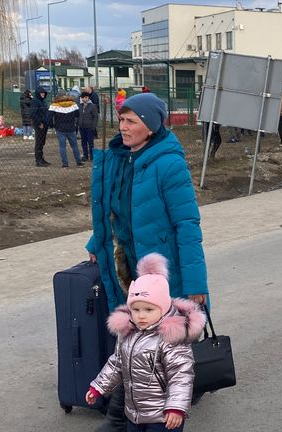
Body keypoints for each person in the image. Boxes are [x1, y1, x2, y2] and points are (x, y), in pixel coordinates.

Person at [85, 92, 209, 431]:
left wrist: (196, 283)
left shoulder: (169, 164)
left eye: (131, 122)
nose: (123, 127)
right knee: (132, 334)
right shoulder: (119, 159)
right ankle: (122, 410)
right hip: (127, 265)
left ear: (150, 128)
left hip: (164, 271)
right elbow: (112, 211)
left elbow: (187, 224)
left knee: (165, 343)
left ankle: (166, 411)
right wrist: (96, 242)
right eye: (121, 119)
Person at [86, 253, 206, 432]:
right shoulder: (128, 332)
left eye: (149, 309)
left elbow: (181, 375)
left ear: (163, 308)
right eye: (135, 309)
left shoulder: (171, 337)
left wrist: (175, 407)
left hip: (163, 416)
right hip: (134, 414)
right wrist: (98, 387)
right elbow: (117, 363)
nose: (141, 315)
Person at [49, 94, 83, 167]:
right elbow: (77, 114)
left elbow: (49, 117)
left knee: (62, 147)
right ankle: (79, 162)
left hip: (60, 128)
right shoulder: (73, 104)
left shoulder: (54, 105)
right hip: (71, 128)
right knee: (74, 146)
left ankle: (65, 164)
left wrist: (52, 125)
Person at [31, 87, 51, 166]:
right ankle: (38, 160)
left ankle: (41, 158)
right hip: (40, 125)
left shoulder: (42, 102)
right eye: (41, 93)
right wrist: (39, 123)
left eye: (43, 93)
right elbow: (33, 114)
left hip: (44, 124)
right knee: (39, 142)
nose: (43, 94)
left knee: (42, 142)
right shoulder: (35, 101)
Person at [79, 93, 99, 161]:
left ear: (88, 98)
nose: (85, 99)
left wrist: (93, 126)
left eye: (86, 97)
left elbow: (95, 117)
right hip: (82, 127)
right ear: (81, 98)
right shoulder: (80, 106)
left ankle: (91, 156)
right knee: (83, 142)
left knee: (90, 142)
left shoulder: (92, 106)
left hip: (89, 127)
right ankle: (85, 155)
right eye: (83, 97)